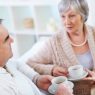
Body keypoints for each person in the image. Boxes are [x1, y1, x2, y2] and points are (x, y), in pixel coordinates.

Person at [26, 0, 95, 94]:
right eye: (63, 16)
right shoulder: (54, 42)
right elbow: (30, 63)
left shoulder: (93, 33)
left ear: (83, 16)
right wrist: (52, 69)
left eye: (72, 16)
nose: (66, 22)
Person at [0, 19, 73, 95]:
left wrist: (36, 79)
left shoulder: (7, 62)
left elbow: (18, 64)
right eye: (6, 39)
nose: (12, 40)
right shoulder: (3, 89)